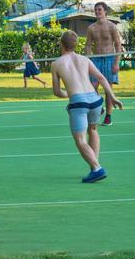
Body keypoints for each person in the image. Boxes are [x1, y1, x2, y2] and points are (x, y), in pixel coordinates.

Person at [51, 30, 123, 183]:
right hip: (95, 100)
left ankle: (97, 168)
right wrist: (113, 97)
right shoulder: (85, 59)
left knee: (80, 140)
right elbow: (102, 78)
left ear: (61, 44)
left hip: (79, 102)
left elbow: (57, 92)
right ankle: (93, 166)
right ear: (76, 45)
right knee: (93, 130)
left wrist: (70, 94)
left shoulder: (56, 64)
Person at [85, 1, 123, 125]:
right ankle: (99, 108)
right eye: (95, 10)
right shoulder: (91, 28)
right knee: (93, 87)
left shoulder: (112, 26)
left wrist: (116, 63)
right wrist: (88, 60)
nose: (97, 12)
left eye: (99, 10)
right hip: (96, 59)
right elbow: (88, 46)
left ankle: (108, 115)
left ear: (105, 11)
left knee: (108, 89)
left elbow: (118, 46)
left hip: (109, 58)